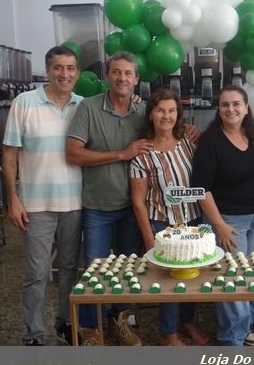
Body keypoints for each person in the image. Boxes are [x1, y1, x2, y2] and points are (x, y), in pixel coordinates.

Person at [66, 51, 199, 346]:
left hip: (132, 208)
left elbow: (166, 122)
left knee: (128, 270)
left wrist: (188, 129)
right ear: (107, 76)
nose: (122, 78)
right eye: (116, 72)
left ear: (136, 79)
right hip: (98, 205)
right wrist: (122, 154)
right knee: (95, 269)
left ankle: (119, 321)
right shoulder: (88, 108)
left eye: (128, 73)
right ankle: (90, 329)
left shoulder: (142, 110)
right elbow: (73, 154)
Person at [2, 45, 84, 346]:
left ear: (77, 72)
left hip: (75, 204)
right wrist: (13, 199)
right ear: (47, 70)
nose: (64, 74)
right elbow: (9, 155)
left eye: (70, 68)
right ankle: (34, 334)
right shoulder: (24, 103)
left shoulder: (83, 106)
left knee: (69, 271)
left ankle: (64, 323)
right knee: (36, 274)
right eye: (58, 67)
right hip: (35, 206)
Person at [191, 84, 254, 347]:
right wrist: (219, 225)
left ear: (246, 108)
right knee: (232, 279)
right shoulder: (211, 141)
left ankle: (245, 328)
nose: (230, 109)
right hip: (227, 221)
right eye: (225, 104)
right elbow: (201, 188)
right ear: (219, 110)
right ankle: (232, 340)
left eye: (236, 104)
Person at [130, 88, 209, 346]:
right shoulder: (142, 153)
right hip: (162, 224)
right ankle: (168, 333)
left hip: (193, 221)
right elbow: (138, 202)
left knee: (192, 275)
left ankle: (187, 321)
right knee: (168, 281)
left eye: (172, 110)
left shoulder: (188, 141)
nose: (167, 116)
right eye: (160, 110)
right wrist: (149, 240)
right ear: (150, 114)